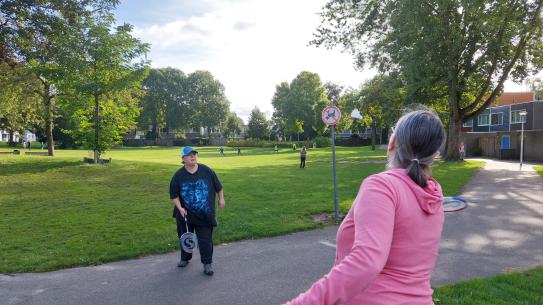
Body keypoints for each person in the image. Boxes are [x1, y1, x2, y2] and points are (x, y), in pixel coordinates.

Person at [283, 109, 445, 305]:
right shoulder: (434, 193)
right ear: (433, 154)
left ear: (392, 142)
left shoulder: (382, 186)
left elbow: (366, 261)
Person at [169, 146, 225, 276]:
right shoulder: (178, 175)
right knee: (185, 238)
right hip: (185, 215)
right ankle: (185, 258)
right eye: (189, 155)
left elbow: (219, 187)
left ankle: (207, 263)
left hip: (205, 214)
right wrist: (180, 208)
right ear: (183, 159)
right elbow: (174, 195)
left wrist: (221, 199)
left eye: (194, 154)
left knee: (205, 240)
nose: (192, 156)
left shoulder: (207, 171)